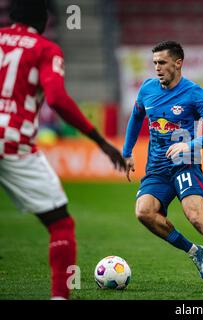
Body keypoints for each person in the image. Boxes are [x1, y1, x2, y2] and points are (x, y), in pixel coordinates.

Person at [0, 0, 126, 299]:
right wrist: (100, 141)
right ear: (43, 20)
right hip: (13, 140)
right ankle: (59, 296)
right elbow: (56, 98)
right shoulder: (45, 49)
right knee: (61, 224)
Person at [123, 41, 203, 290]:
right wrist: (127, 152)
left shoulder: (194, 93)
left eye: (162, 63)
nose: (157, 68)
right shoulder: (147, 89)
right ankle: (193, 250)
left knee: (195, 215)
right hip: (157, 169)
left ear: (178, 63)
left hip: (185, 165)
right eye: (155, 63)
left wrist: (190, 146)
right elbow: (136, 117)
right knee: (143, 212)